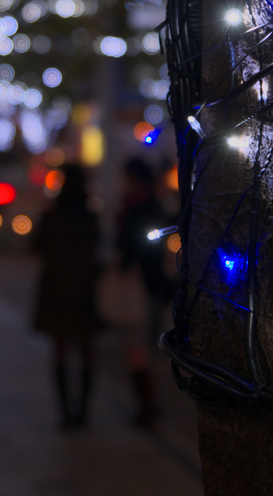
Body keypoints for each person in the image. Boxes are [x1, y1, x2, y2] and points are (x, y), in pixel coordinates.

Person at [32, 164, 99, 429]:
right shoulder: (90, 217)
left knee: (60, 351)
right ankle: (83, 412)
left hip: (56, 290)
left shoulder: (52, 216)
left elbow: (36, 247)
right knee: (86, 351)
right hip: (85, 289)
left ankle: (65, 414)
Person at [115, 157, 172, 428]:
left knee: (138, 347)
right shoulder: (151, 203)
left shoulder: (138, 206)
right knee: (141, 346)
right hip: (150, 284)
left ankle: (148, 405)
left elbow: (132, 248)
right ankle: (147, 403)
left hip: (141, 285)